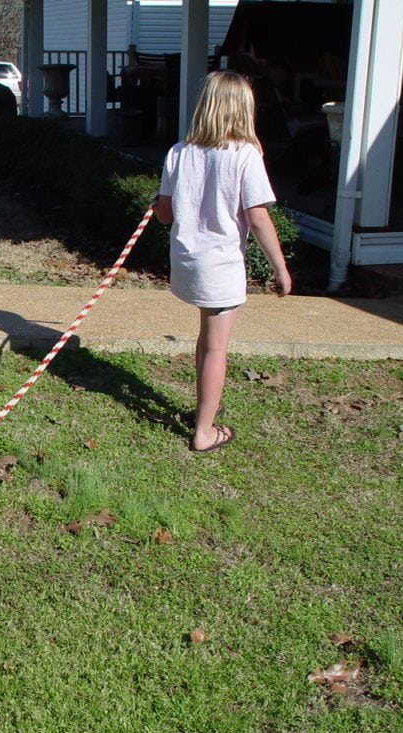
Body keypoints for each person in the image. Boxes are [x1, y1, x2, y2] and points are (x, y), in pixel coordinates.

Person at [155, 70, 291, 453]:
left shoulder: (179, 152)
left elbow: (164, 214)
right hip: (220, 266)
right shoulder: (246, 156)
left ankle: (203, 409)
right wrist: (280, 268)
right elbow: (259, 218)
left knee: (206, 338)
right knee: (216, 347)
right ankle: (204, 431)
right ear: (243, 111)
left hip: (186, 262)